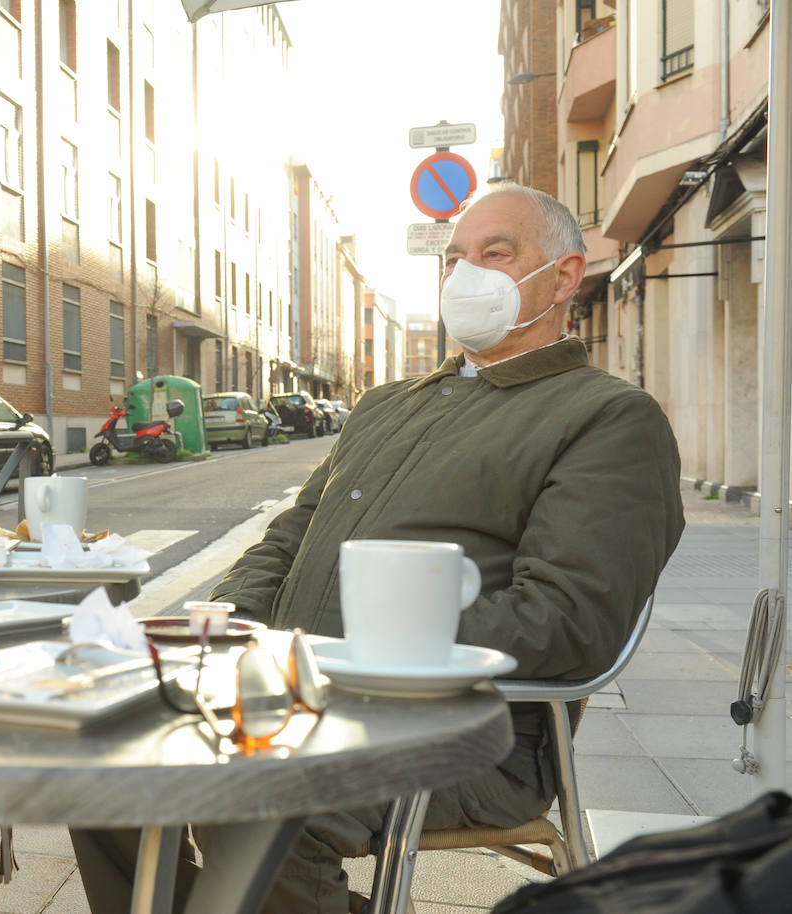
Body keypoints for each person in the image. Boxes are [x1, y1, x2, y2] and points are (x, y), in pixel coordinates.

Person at [71, 184, 686, 913]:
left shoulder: (608, 417)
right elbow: (292, 532)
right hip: (290, 695)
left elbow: (570, 622)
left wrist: (361, 645)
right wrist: (228, 618)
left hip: (461, 729)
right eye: (456, 259)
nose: (467, 274)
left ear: (562, 277)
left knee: (253, 800)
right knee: (96, 755)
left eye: (496, 253)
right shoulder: (386, 405)